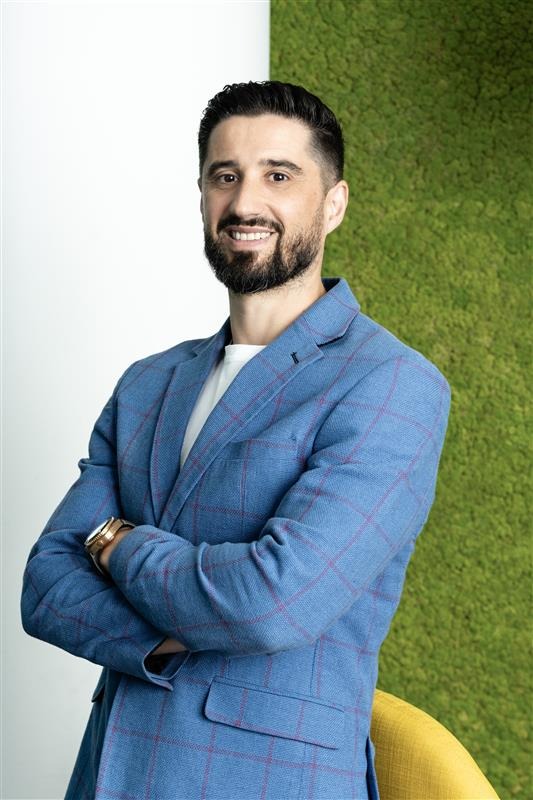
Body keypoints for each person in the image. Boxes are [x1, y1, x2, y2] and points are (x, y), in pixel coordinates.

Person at [21, 81, 451, 800]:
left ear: (334, 203)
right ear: (202, 196)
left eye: (278, 176)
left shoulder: (391, 385)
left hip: (265, 782)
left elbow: (270, 601)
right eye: (225, 176)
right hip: (106, 774)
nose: (245, 201)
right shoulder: (147, 383)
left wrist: (118, 545)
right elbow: (45, 585)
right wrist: (164, 636)